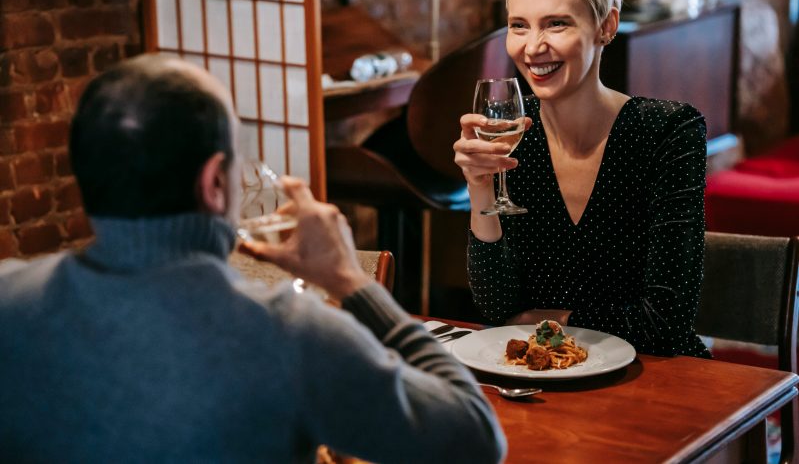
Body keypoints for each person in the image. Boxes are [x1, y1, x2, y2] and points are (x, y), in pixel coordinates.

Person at [0, 54, 506, 463]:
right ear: (215, 181)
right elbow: (474, 436)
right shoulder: (289, 333)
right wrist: (354, 283)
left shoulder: (9, 302)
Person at [453, 0, 710, 358]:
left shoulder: (668, 133)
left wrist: (551, 319)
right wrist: (479, 186)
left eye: (557, 23)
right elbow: (497, 309)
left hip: (659, 378)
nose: (533, 47)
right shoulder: (514, 135)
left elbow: (666, 322)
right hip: (548, 377)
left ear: (606, 26)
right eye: (519, 25)